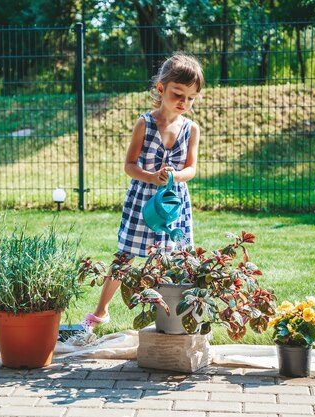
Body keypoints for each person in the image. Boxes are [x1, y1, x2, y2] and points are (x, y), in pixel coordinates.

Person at [82, 52, 204, 332]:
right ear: (161, 89)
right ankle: (101, 311)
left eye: (191, 97)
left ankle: (175, 316)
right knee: (126, 256)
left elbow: (191, 169)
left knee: (174, 257)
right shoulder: (145, 124)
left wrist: (174, 176)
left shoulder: (191, 129)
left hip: (173, 204)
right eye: (178, 94)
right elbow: (128, 165)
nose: (184, 102)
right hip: (143, 201)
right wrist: (150, 176)